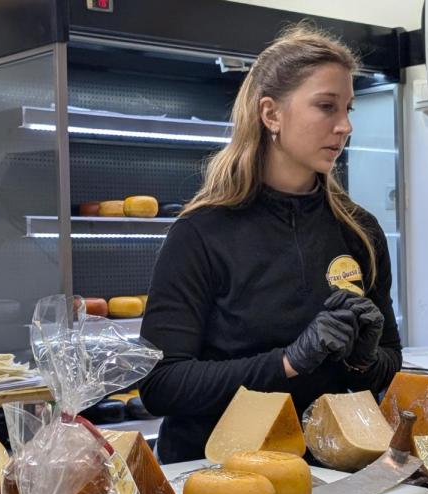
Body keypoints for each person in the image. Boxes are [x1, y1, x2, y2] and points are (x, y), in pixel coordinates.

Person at [138, 25, 403, 465]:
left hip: (335, 473)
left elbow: (390, 363)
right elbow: (162, 384)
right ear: (271, 114)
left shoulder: (360, 231)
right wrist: (287, 363)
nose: (345, 126)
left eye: (348, 109)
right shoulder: (201, 232)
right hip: (222, 478)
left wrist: (365, 359)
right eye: (326, 106)